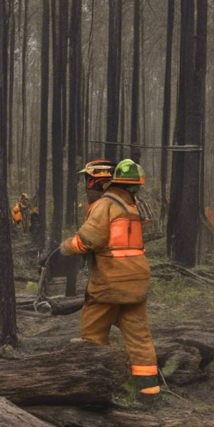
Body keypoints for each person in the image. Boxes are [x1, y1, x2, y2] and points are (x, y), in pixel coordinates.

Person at [57, 159, 160, 399]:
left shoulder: (105, 205)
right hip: (137, 279)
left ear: (97, 180)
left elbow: (87, 241)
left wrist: (62, 249)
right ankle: (149, 391)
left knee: (93, 332)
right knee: (139, 336)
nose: (86, 186)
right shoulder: (131, 205)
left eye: (88, 180)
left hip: (111, 280)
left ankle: (97, 385)